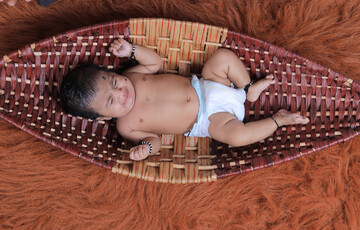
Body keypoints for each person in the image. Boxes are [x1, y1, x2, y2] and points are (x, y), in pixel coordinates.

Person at [60, 39, 309, 160]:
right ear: (105, 117)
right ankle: (279, 120)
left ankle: (249, 87)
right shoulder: (125, 125)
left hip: (208, 83)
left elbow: (155, 62)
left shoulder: (132, 75)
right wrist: (145, 150)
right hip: (208, 121)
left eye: (114, 82)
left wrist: (132, 51)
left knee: (222, 57)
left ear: (113, 73)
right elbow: (154, 140)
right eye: (111, 102)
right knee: (237, 137)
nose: (121, 93)